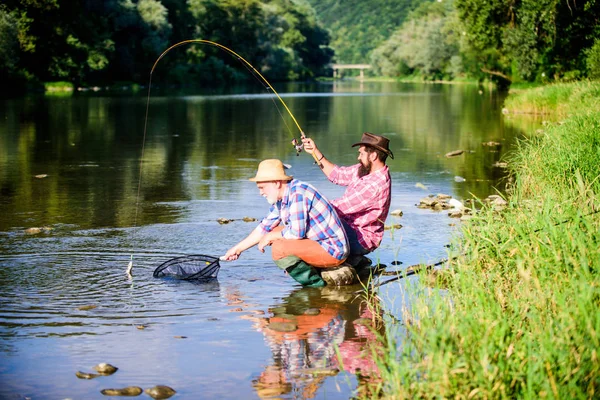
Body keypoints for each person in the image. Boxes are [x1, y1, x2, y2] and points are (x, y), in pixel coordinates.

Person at [223, 159, 349, 287]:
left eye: (262, 188)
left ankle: (315, 286)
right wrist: (237, 249)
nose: (260, 193)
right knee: (275, 232)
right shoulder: (282, 197)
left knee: (279, 249)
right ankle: (311, 272)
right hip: (319, 243)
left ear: (276, 183)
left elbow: (297, 233)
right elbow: (264, 227)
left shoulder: (298, 194)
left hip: (332, 250)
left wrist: (271, 237)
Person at [302, 132, 393, 268]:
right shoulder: (365, 170)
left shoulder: (375, 185)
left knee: (315, 221)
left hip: (361, 239)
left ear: (373, 156)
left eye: (361, 154)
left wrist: (306, 207)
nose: (358, 157)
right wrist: (315, 151)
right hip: (349, 228)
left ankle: (313, 262)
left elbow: (338, 209)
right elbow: (337, 175)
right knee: (312, 221)